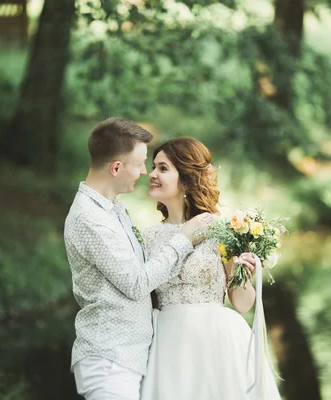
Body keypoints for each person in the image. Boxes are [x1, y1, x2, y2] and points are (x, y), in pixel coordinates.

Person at [64, 119, 214, 400]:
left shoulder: (113, 209)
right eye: (141, 163)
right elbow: (135, 283)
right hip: (110, 360)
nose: (145, 172)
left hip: (130, 358)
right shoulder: (90, 218)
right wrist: (183, 238)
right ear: (116, 168)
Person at [140, 137, 282, 400]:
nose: (152, 174)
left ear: (186, 179)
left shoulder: (221, 230)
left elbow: (241, 303)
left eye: (162, 168)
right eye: (153, 167)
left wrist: (244, 276)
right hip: (168, 345)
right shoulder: (147, 238)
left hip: (217, 342)